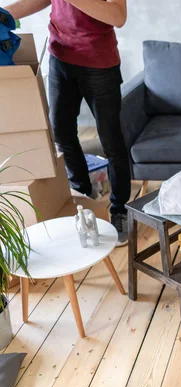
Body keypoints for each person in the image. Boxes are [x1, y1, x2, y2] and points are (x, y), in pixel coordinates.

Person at [5, 0, 131, 245]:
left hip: (99, 63)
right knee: (61, 133)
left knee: (111, 141)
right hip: (60, 56)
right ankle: (84, 191)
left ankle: (120, 209)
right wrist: (5, 13)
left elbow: (118, 16)